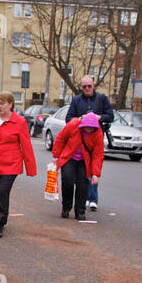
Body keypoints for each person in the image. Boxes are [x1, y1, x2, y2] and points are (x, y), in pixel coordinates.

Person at [0, 91, 37, 238]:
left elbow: (26, 145)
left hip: (11, 164)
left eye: (2, 104)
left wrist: (30, 168)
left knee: (3, 192)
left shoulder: (20, 122)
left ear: (10, 104)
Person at [66, 75, 113, 211]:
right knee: (82, 170)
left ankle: (92, 198)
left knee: (94, 167)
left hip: (95, 137)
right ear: (81, 87)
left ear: (94, 86)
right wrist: (80, 119)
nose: (87, 89)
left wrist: (99, 117)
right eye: (84, 87)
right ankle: (84, 197)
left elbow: (110, 116)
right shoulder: (76, 100)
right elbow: (68, 119)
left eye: (89, 86)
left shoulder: (101, 99)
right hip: (79, 139)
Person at [51, 111, 104, 221]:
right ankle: (66, 207)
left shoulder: (98, 133)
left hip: (84, 161)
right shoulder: (73, 125)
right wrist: (56, 155)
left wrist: (95, 173)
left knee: (82, 186)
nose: (89, 130)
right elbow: (60, 139)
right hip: (69, 157)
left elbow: (98, 153)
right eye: (86, 127)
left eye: (91, 128)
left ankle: (80, 211)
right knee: (67, 181)